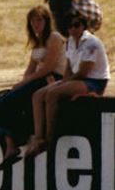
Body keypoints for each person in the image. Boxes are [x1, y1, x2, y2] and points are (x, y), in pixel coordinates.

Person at [0, 6, 66, 168]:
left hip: (52, 77)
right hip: (37, 78)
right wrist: (21, 82)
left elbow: (49, 67)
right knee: (3, 99)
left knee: (10, 100)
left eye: (39, 20)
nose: (36, 24)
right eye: (32, 21)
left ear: (47, 21)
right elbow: (30, 68)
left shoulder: (54, 37)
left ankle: (25, 141)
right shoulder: (38, 41)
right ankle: (10, 145)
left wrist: (25, 83)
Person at [27, 11, 109, 157]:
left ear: (83, 25)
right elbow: (69, 68)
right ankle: (38, 137)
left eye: (76, 25)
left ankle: (50, 139)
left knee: (53, 93)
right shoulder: (70, 41)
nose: (73, 29)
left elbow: (84, 72)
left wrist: (62, 84)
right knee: (37, 95)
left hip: (94, 81)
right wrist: (63, 81)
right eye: (69, 26)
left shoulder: (91, 43)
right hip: (78, 79)